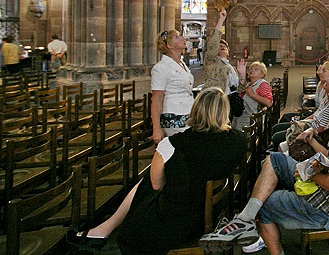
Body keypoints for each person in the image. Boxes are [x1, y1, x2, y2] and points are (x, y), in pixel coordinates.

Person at [200, 82, 329, 255]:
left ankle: (251, 223)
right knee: (276, 159)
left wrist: (310, 174)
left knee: (266, 204)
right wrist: (312, 148)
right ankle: (245, 220)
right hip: (328, 189)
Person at [66, 88, 246, 255]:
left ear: (195, 110)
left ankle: (103, 230)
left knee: (146, 185)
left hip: (176, 222)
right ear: (225, 112)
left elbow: (156, 184)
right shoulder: (238, 140)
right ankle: (102, 230)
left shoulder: (173, 145)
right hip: (214, 213)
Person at [151, 30, 194, 143]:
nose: (182, 38)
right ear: (169, 45)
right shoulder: (161, 68)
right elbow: (157, 99)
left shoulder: (182, 63)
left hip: (188, 114)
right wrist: (156, 128)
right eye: (177, 37)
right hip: (174, 118)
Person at [204, 9, 244, 98]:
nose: (222, 47)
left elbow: (240, 89)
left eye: (224, 46)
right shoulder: (212, 61)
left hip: (229, 101)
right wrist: (221, 20)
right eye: (219, 46)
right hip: (216, 100)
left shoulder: (232, 67)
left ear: (228, 51)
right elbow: (213, 43)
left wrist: (242, 75)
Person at [233, 61, 273, 131]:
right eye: (251, 68)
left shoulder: (262, 84)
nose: (252, 70)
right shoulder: (248, 84)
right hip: (241, 119)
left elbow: (269, 103)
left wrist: (252, 94)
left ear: (262, 74)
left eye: (256, 69)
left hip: (249, 122)